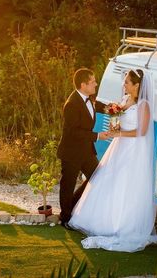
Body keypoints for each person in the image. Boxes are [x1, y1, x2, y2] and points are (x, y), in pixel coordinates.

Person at [68, 69, 157, 252]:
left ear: (137, 85)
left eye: (127, 82)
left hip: (134, 151)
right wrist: (114, 118)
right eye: (124, 81)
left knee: (125, 184)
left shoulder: (144, 106)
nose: (123, 85)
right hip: (118, 146)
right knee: (108, 180)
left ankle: (121, 224)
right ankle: (99, 220)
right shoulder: (124, 101)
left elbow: (141, 132)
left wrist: (119, 133)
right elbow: (116, 125)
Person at [57, 67, 112, 226]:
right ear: (83, 85)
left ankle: (74, 204)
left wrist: (117, 108)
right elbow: (73, 132)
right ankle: (65, 218)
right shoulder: (71, 104)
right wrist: (97, 136)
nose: (96, 84)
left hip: (87, 151)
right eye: (93, 82)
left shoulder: (90, 98)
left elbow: (102, 107)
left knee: (97, 177)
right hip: (72, 151)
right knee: (67, 184)